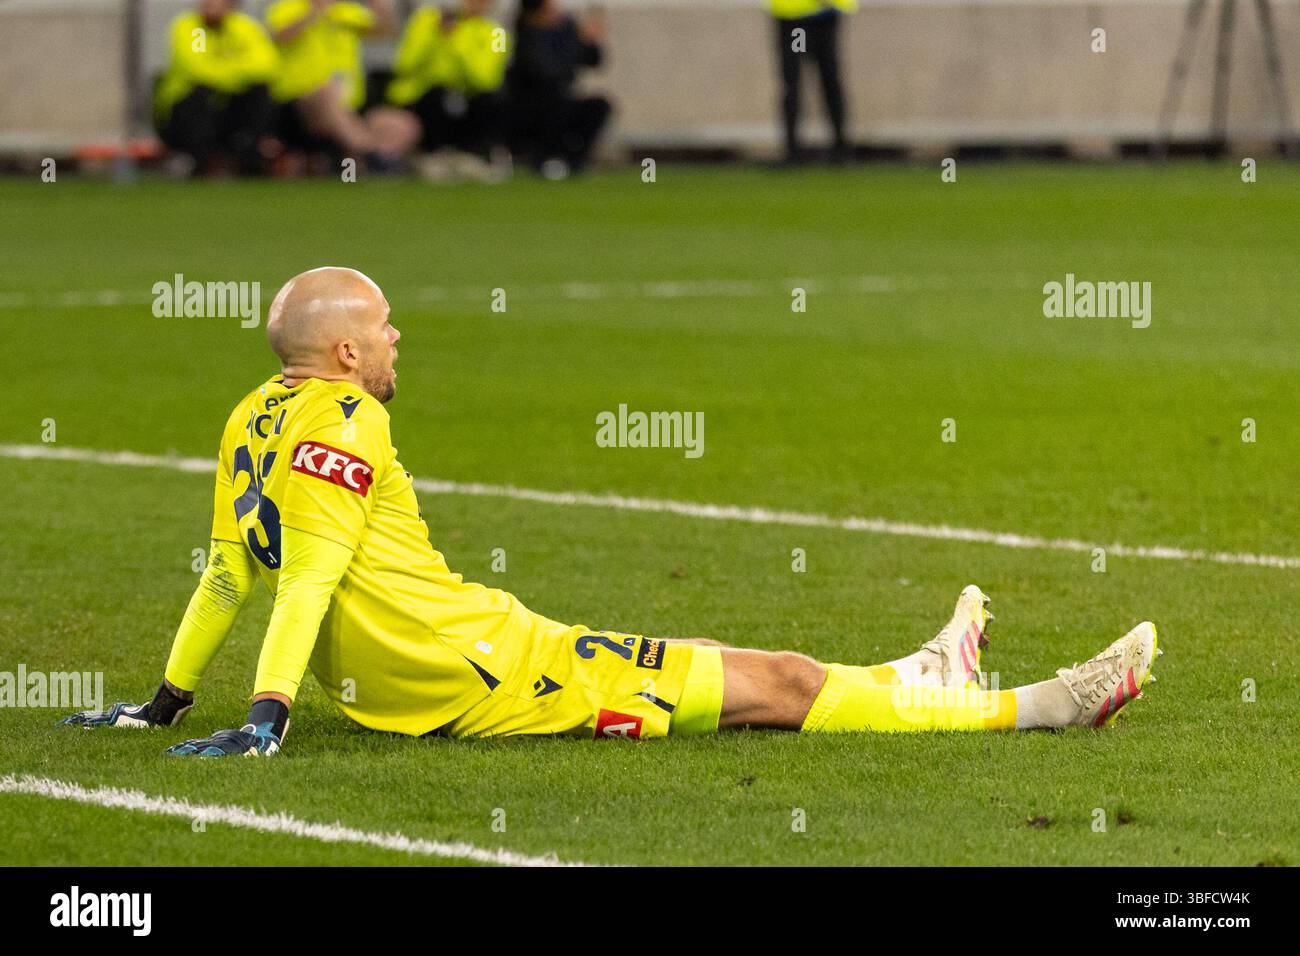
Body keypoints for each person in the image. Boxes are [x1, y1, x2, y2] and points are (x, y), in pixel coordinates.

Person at [60, 267, 1160, 754]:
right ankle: (1045, 706)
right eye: (388, 325)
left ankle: (932, 675)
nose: (400, 339)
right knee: (775, 684)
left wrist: (162, 701)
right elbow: (299, 578)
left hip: (435, 668)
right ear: (346, 349)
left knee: (765, 672)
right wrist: (266, 715)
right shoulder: (348, 417)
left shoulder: (251, 412)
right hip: (486, 664)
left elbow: (226, 569)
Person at [265, 0, 419, 169]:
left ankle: (375, 159)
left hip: (349, 103)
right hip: (301, 103)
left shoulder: (345, 11)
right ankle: (369, 155)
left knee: (403, 124)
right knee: (327, 92)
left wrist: (379, 6)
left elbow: (384, 31)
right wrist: (315, 13)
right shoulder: (288, 7)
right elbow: (277, 37)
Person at [153, 0, 281, 176]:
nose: (209, 4)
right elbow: (197, 69)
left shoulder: (244, 27)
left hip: (227, 104)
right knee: (200, 93)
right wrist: (236, 74)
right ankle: (203, 160)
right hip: (185, 109)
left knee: (258, 91)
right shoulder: (195, 29)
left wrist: (223, 72)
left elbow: (266, 64)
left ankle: (251, 155)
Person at [386, 0, 510, 165]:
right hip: (421, 95)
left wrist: (454, 41)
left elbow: (487, 79)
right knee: (439, 97)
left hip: (468, 96)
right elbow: (404, 63)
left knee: (489, 99)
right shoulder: (424, 20)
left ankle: (473, 153)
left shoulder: (498, 33)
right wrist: (434, 34)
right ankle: (431, 155)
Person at [507, 0, 611, 177]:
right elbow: (545, 72)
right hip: (531, 107)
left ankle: (573, 161)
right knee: (553, 103)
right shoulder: (526, 32)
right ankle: (544, 158)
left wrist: (591, 41)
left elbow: (594, 60)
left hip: (561, 101)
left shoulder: (565, 29)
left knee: (599, 106)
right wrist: (571, 44)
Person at [770, 0, 855, 164]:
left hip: (824, 17)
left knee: (828, 79)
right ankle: (793, 150)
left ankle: (840, 148)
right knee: (795, 80)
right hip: (797, 23)